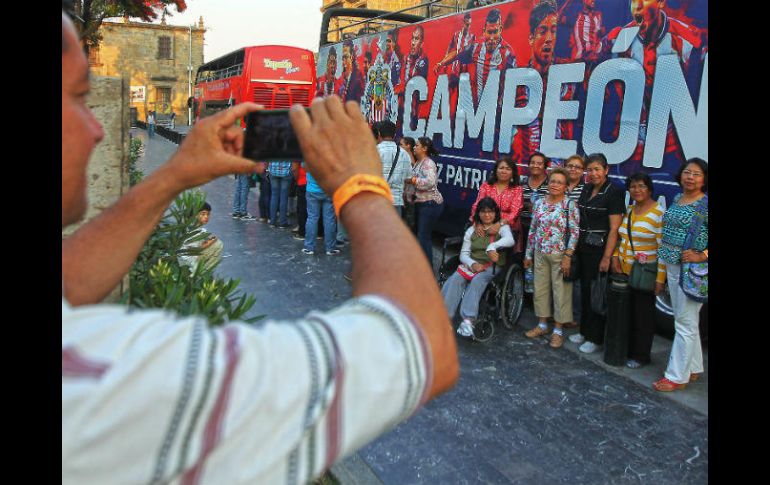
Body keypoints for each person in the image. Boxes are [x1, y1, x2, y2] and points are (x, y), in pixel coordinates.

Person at [62, 10, 458, 483]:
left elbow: (71, 280)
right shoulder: (103, 387)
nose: (98, 126)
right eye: (79, 98)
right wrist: (361, 185)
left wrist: (173, 176)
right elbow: (420, 346)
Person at [653, 158, 708, 392]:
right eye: (687, 172)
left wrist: (703, 254)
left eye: (696, 174)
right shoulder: (677, 198)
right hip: (673, 267)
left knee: (684, 323)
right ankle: (693, 367)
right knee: (686, 320)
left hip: (692, 271)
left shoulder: (705, 205)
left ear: (704, 179)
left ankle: (676, 376)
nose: (690, 177)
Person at [569, 153, 624, 353]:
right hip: (583, 248)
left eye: (597, 169)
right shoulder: (586, 188)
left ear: (606, 170)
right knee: (584, 290)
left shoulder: (614, 192)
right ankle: (584, 331)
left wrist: (607, 257)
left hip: (600, 250)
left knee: (597, 294)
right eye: (590, 170)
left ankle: (595, 338)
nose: (593, 174)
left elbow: (614, 229)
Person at [611, 172, 665, 368]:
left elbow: (662, 249)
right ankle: (627, 350)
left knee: (643, 317)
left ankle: (641, 356)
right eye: (633, 186)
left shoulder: (658, 213)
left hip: (644, 273)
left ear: (649, 189)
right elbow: (623, 237)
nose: (637, 190)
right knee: (627, 314)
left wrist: (660, 279)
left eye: (641, 186)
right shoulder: (631, 209)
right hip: (624, 271)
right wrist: (615, 257)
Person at [523, 168, 580, 348]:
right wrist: (528, 254)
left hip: (560, 255)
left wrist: (568, 256)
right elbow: (533, 229)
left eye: (560, 182)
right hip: (540, 253)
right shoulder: (539, 203)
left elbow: (575, 233)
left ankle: (558, 331)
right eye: (553, 181)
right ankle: (542, 325)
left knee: (561, 292)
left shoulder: (569, 205)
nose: (555, 185)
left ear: (566, 186)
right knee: (540, 289)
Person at [441, 197, 514, 338]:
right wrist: (472, 264)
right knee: (456, 278)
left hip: (492, 266)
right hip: (473, 264)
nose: (487, 215)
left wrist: (493, 246)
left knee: (478, 280)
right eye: (483, 212)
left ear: (495, 213)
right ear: (478, 213)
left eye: (490, 212)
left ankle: (468, 320)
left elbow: (510, 240)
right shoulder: (472, 230)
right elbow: (464, 254)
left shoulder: (501, 227)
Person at [434, 8, 516, 104]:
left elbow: (513, 85)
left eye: (495, 32)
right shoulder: (476, 46)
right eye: (489, 32)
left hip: (496, 107)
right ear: (484, 31)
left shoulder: (508, 53)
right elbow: (456, 53)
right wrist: (441, 63)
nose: (492, 37)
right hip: (476, 107)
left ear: (500, 30)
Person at [467, 157, 523, 249]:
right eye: (501, 168)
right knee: (473, 241)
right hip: (484, 220)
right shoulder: (486, 186)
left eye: (508, 169)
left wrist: (499, 224)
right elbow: (477, 205)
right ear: (496, 170)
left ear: (513, 173)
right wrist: (477, 222)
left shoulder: (517, 189)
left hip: (506, 225)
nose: (504, 171)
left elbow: (515, 212)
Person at [404, 136, 444, 266]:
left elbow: (430, 182)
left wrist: (413, 180)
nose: (414, 147)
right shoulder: (418, 162)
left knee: (423, 237)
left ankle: (427, 269)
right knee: (420, 236)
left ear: (424, 148)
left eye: (417, 145)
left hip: (430, 204)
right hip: (422, 204)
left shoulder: (428, 164)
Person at [564, 154, 586, 328]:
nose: (573, 169)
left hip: (576, 237)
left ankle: (575, 315)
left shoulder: (586, 190)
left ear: (582, 171)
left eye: (577, 167)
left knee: (574, 278)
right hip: (555, 237)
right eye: (570, 165)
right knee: (558, 277)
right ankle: (559, 313)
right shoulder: (557, 184)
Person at [376, 121, 412, 216]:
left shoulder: (374, 151)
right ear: (394, 134)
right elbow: (408, 178)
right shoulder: (404, 154)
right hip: (396, 202)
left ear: (379, 133)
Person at [302, 162, 339, 255]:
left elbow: (304, 167)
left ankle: (309, 247)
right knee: (329, 219)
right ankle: (330, 248)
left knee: (312, 218)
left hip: (312, 190)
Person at [179, 202, 224, 273]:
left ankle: (202, 272)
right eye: (203, 214)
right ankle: (202, 273)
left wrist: (208, 241)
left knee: (216, 243)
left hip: (186, 258)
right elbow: (193, 249)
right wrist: (209, 243)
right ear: (195, 215)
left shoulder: (190, 226)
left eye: (208, 214)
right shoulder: (193, 230)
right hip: (187, 261)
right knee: (219, 244)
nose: (206, 217)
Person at [267, 159, 294, 228]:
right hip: (286, 171)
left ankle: (272, 221)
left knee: (274, 196)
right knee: (284, 197)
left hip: (273, 170)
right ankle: (283, 222)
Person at [400, 136, 418, 232]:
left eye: (401, 144)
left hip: (408, 193)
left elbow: (412, 177)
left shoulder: (410, 159)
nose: (400, 146)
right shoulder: (408, 157)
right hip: (406, 193)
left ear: (408, 146)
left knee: (407, 218)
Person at [292, 162, 308, 240]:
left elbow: (294, 169)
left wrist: (297, 179)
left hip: (302, 182)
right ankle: (319, 232)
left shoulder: (300, 154)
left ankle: (302, 232)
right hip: (316, 183)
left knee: (302, 208)